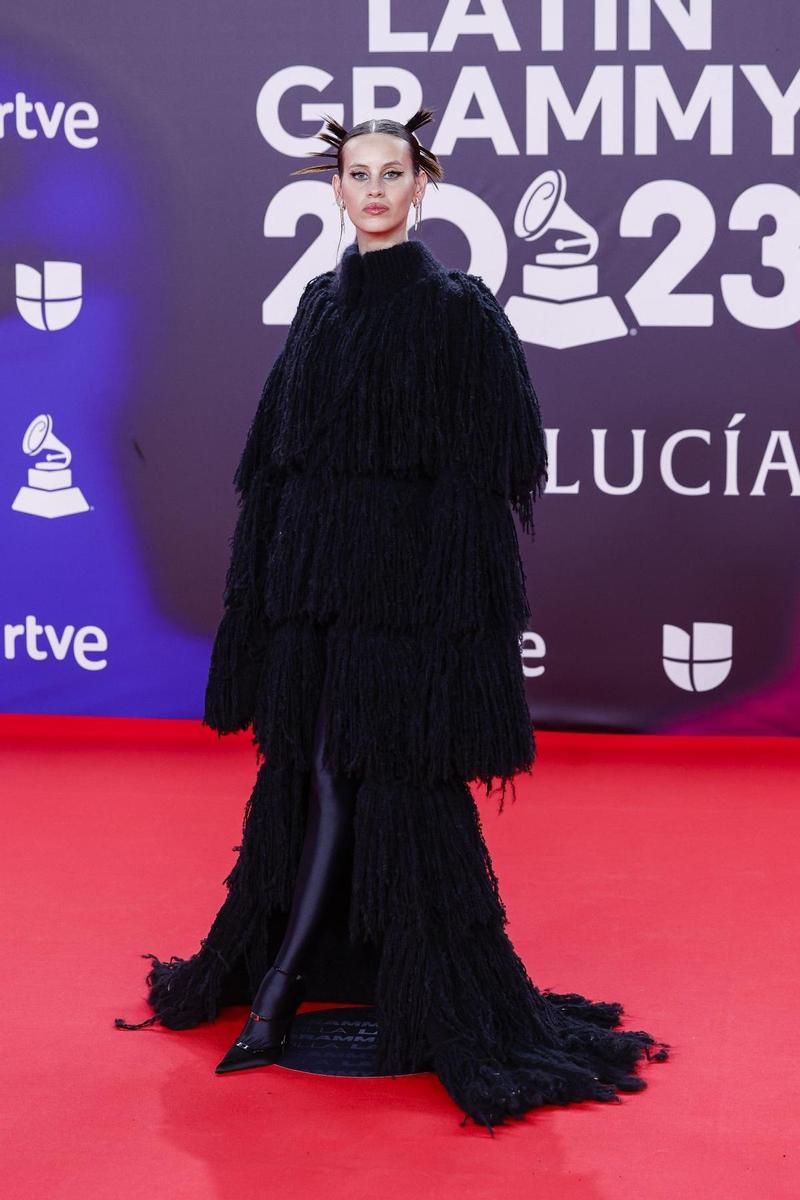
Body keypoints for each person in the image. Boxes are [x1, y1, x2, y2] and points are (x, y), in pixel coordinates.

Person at [115, 109, 669, 1131]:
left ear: (422, 188)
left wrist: (433, 607)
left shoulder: (456, 309)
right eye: (356, 174)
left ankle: (280, 991)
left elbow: (484, 473)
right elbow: (279, 467)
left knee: (348, 768)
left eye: (391, 174)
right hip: (318, 599)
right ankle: (303, 963)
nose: (372, 190)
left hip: (403, 610)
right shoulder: (320, 307)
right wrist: (279, 592)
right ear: (335, 189)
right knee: (314, 768)